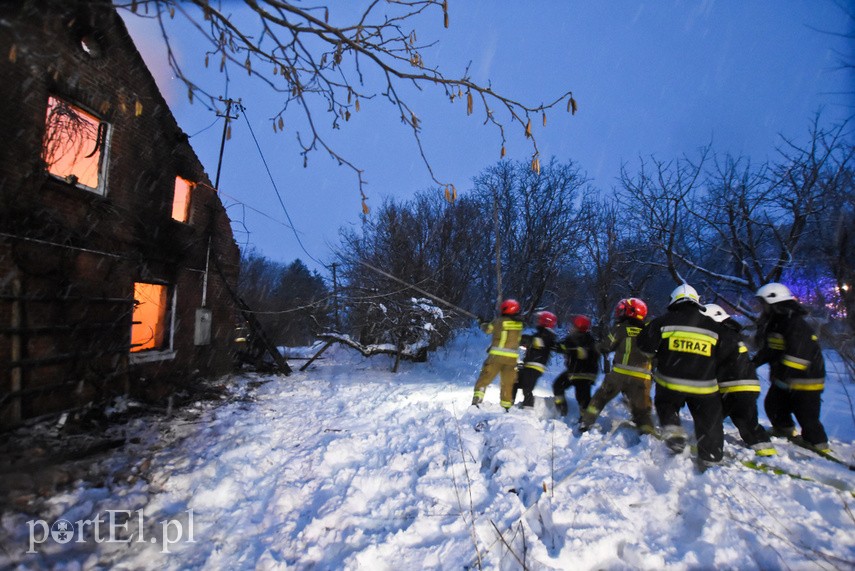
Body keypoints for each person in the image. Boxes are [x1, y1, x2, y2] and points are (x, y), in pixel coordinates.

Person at [637, 284, 739, 470]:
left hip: (670, 382)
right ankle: (711, 455)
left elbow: (644, 346)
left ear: (674, 301)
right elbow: (731, 351)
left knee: (666, 405)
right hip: (705, 386)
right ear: (696, 302)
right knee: (709, 420)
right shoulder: (714, 326)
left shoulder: (662, 322)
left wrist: (660, 355)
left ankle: (674, 434)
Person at [752, 283, 830, 452]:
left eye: (763, 304)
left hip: (806, 379)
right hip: (786, 378)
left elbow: (798, 356)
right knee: (773, 405)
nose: (761, 308)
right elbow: (772, 349)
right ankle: (783, 428)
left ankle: (818, 443)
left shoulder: (794, 323)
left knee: (806, 415)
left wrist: (783, 374)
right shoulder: (777, 323)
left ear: (774, 303)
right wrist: (751, 363)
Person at [702, 304, 776, 457]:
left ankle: (708, 448)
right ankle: (766, 451)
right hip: (749, 388)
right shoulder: (733, 335)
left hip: (730, 388)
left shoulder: (717, 335)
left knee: (710, 419)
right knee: (749, 422)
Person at [579, 298, 654, 433]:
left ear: (630, 312)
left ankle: (586, 422)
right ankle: (646, 433)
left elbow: (606, 346)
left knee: (600, 398)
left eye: (622, 310)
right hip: (642, 378)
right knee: (642, 410)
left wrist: (594, 348)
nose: (619, 313)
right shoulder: (649, 331)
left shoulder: (621, 329)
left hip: (619, 374)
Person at [471, 299, 525, 410]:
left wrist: (481, 322)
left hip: (496, 358)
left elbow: (488, 329)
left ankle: (476, 403)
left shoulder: (499, 321)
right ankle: (506, 409)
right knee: (507, 385)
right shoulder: (519, 325)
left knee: (484, 379)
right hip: (511, 361)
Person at [552, 315, 601, 416]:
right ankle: (562, 410)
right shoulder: (575, 338)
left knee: (582, 397)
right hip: (575, 372)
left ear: (578, 326)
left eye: (573, 325)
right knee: (558, 385)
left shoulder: (586, 339)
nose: (571, 328)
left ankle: (586, 420)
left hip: (583, 373)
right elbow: (561, 346)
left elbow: (594, 354)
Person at [513, 310, 559, 408]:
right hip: (530, 365)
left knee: (527, 387)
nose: (537, 321)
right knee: (515, 382)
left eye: (539, 319)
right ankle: (509, 406)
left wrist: (521, 338)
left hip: (535, 366)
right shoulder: (542, 334)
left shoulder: (546, 335)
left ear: (544, 321)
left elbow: (534, 341)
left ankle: (528, 408)